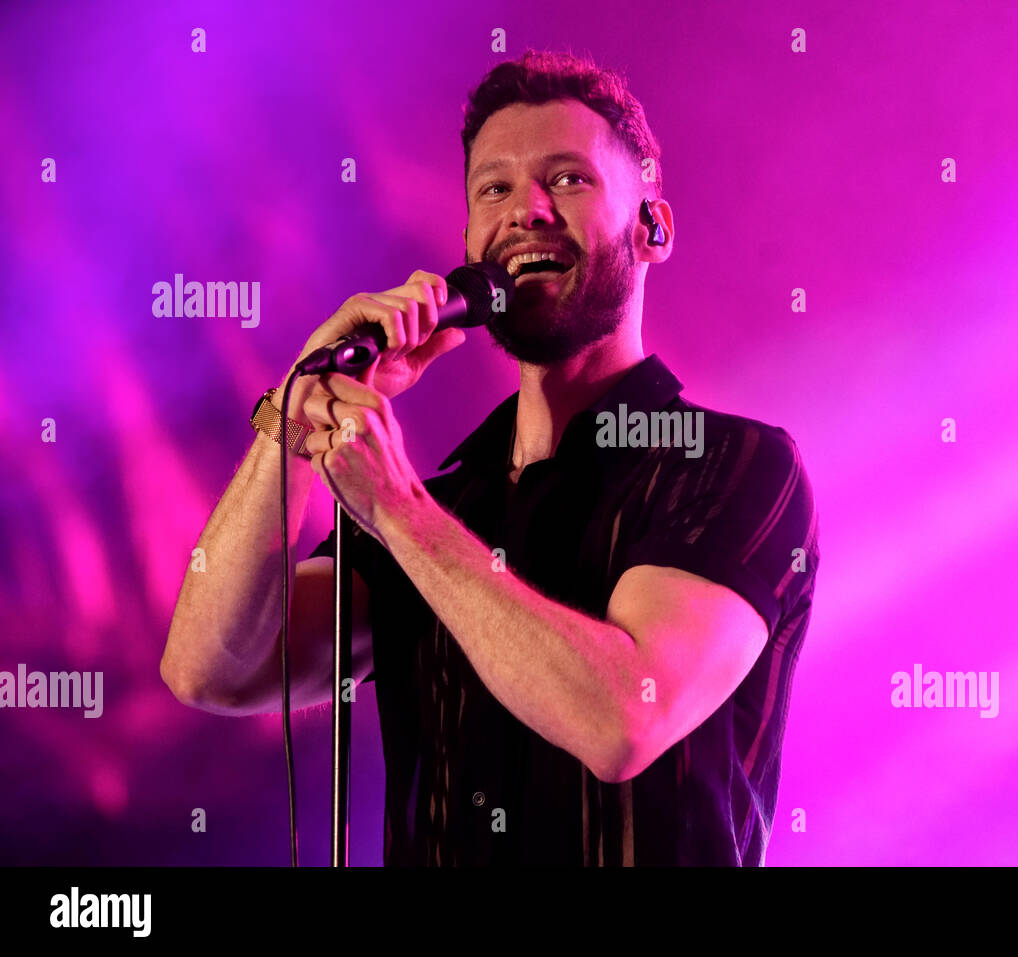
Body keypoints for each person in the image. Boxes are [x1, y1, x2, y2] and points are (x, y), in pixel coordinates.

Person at [162, 49, 819, 866]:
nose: (527, 210)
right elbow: (208, 669)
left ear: (652, 228)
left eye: (569, 180)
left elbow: (622, 720)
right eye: (494, 188)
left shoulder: (737, 467)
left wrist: (401, 512)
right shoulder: (445, 506)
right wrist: (295, 422)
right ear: (472, 242)